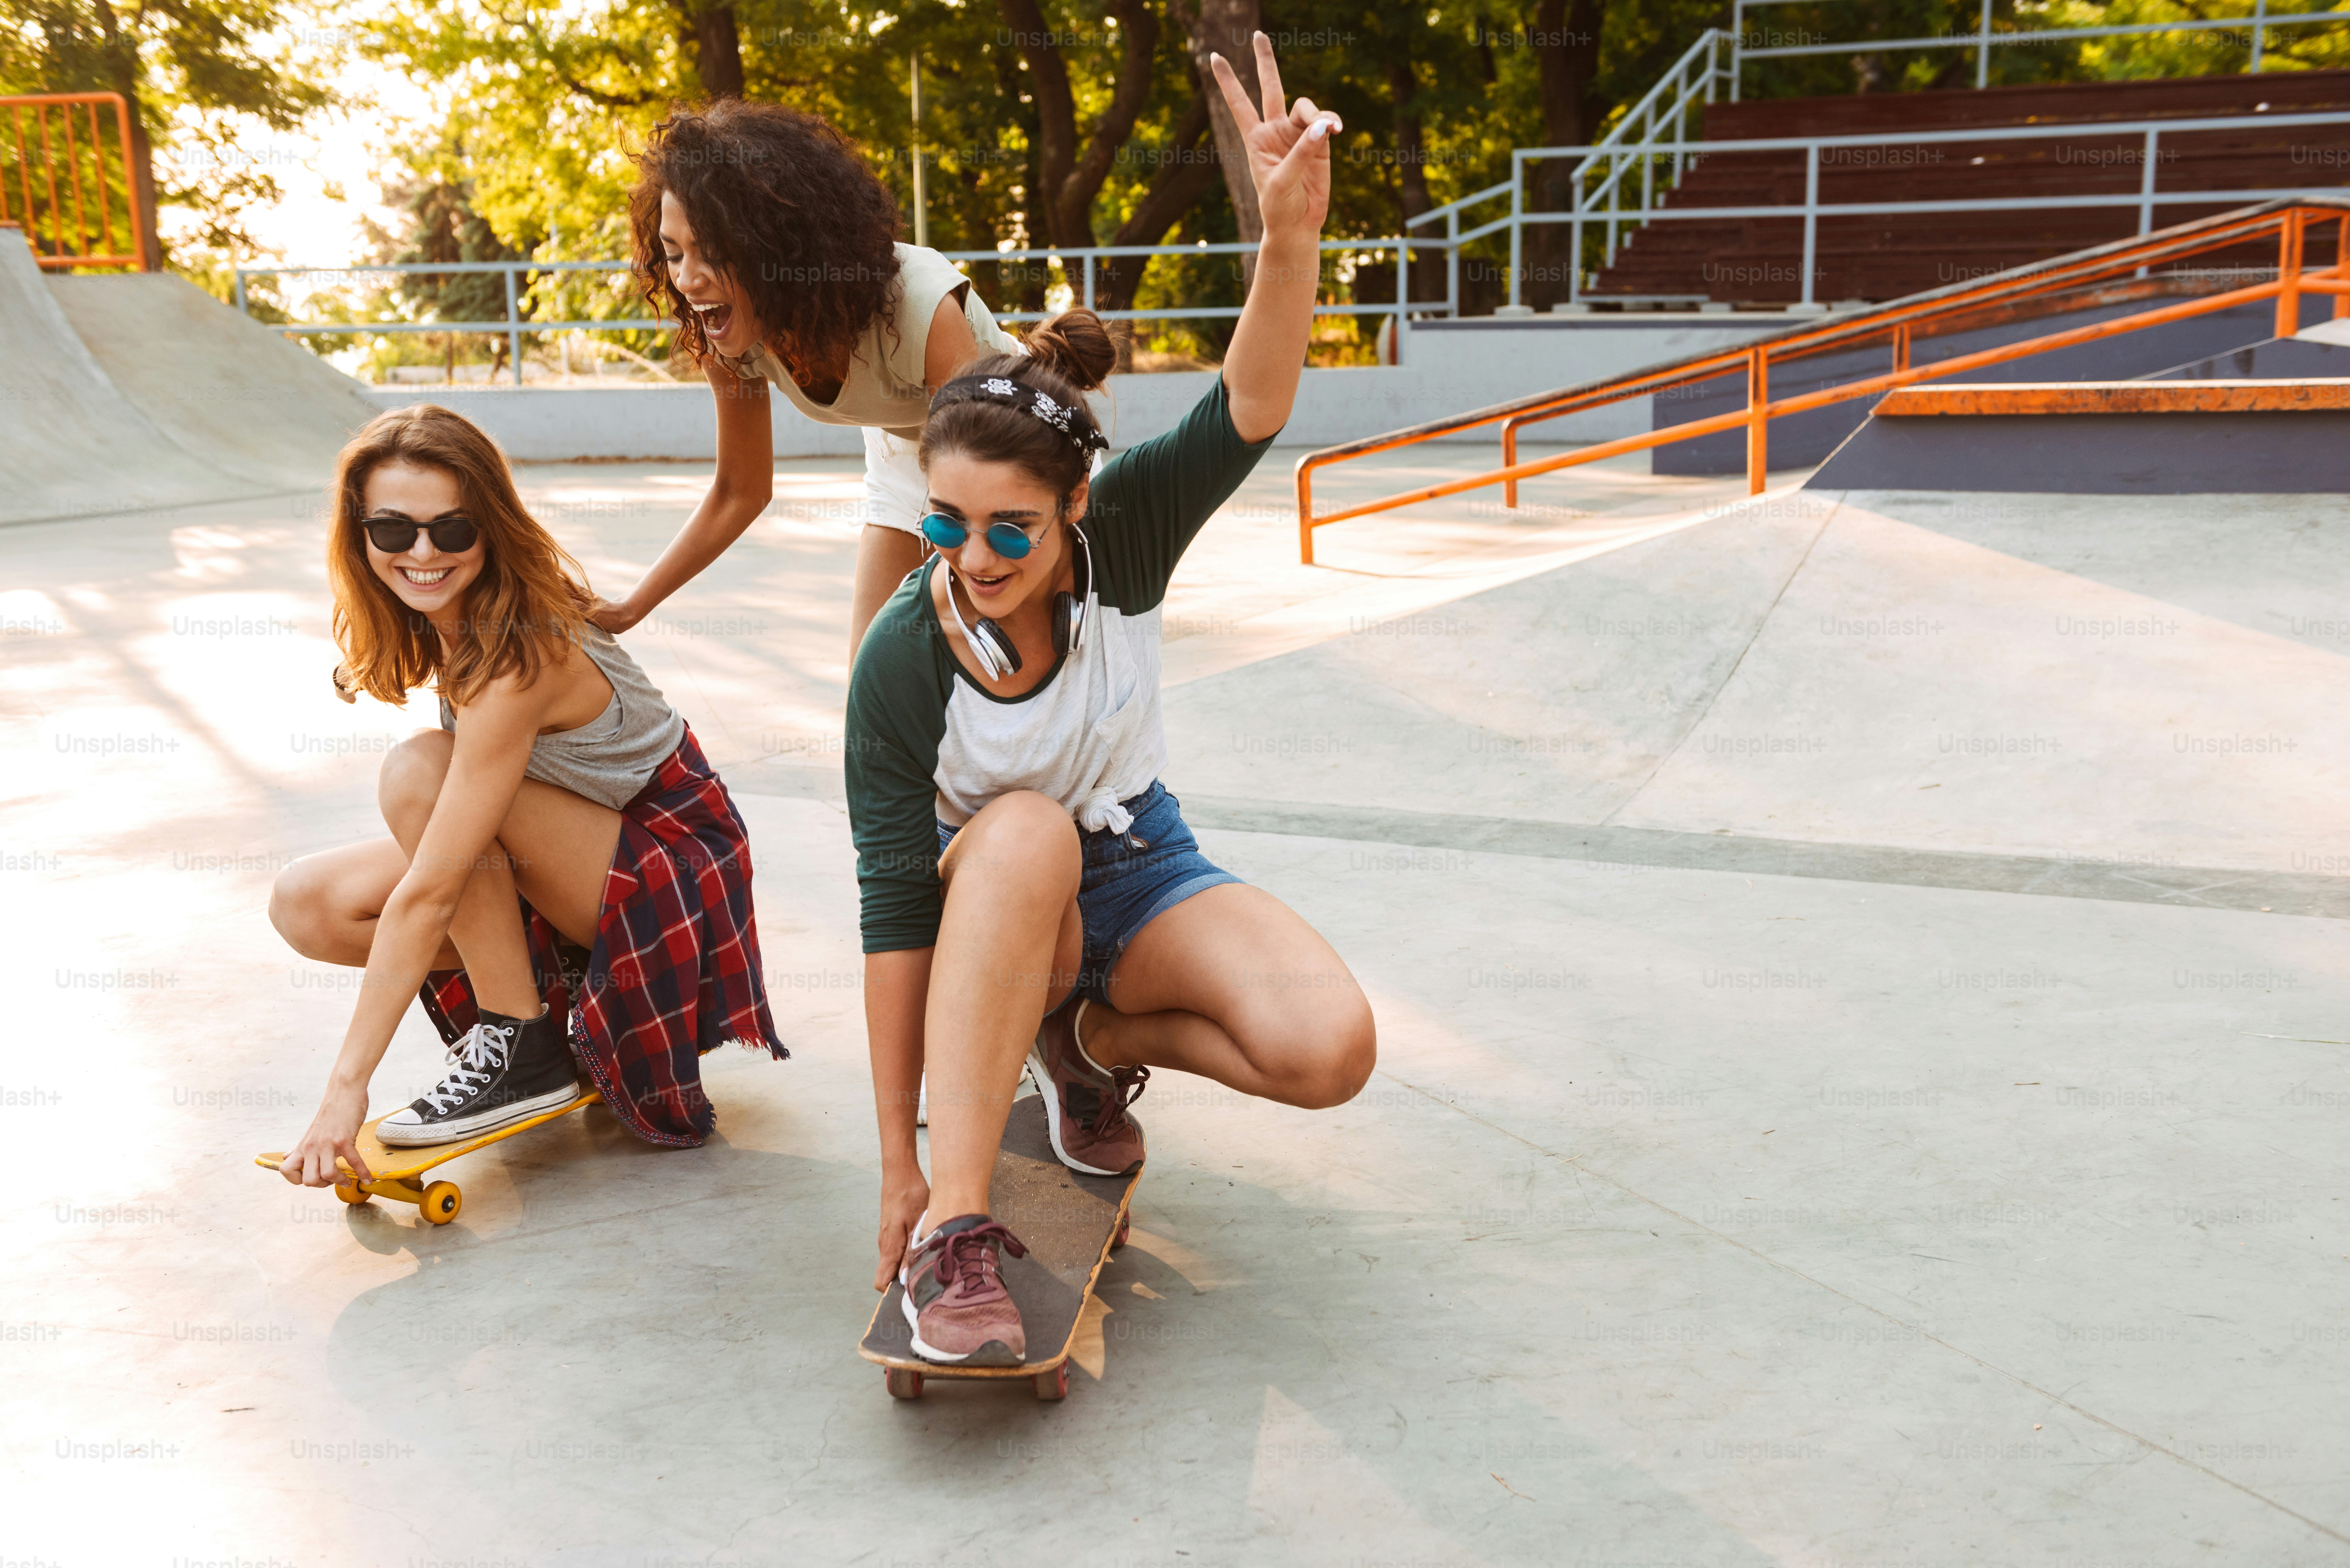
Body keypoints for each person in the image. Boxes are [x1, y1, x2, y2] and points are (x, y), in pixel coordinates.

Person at [845, 37, 1376, 1365]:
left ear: (1075, 509)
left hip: (1137, 869)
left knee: (1330, 1048)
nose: (975, 560)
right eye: (946, 522)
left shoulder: (1127, 532)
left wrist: (1288, 236)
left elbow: (1250, 405)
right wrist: (898, 1166)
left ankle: (1077, 1039)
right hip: (989, 901)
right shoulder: (903, 657)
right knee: (1021, 827)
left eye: (1012, 532)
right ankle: (958, 1232)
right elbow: (894, 913)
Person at [269, 405, 786, 1187]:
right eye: (393, 530)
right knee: (307, 901)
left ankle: (522, 1042)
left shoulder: (518, 650)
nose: (421, 552)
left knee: (419, 773)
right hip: (585, 861)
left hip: (673, 882)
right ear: (358, 532)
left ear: (492, 524)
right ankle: (555, 1004)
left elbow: (438, 884)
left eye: (451, 530)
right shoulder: (449, 620)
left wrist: (346, 1088)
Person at [598, 97, 1027, 658]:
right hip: (906, 453)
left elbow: (978, 477)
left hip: (1016, 450)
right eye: (674, 253)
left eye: (712, 253)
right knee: (874, 686)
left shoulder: (921, 308)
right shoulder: (729, 338)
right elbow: (741, 490)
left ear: (777, 244)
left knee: (987, 678)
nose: (687, 280)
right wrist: (630, 609)